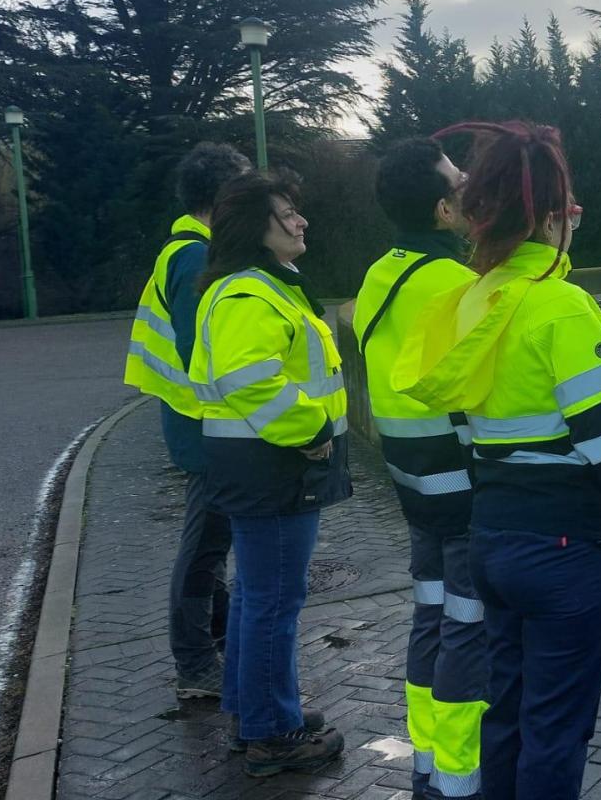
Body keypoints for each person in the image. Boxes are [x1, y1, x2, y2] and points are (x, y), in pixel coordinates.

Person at [392, 120, 601, 800]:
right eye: (569, 207)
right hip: (563, 552)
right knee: (557, 728)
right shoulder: (563, 307)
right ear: (552, 215)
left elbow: (465, 427)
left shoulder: (470, 302)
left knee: (508, 715)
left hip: (490, 538)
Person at [189, 170, 350, 776]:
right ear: (255, 227)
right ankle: (271, 734)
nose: (300, 220)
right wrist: (310, 430)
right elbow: (250, 381)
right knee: (273, 602)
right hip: (273, 466)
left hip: (264, 467)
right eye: (287, 213)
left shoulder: (260, 287)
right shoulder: (248, 295)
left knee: (264, 598)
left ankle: (253, 710)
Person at [352, 138, 485, 799]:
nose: (470, 187)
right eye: (459, 182)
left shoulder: (381, 274)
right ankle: (460, 783)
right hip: (461, 490)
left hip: (411, 485)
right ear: (442, 209)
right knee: (468, 627)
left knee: (430, 618)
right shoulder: (456, 286)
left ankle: (428, 764)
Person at [122, 142, 248, 699]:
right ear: (222, 198)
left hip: (198, 421)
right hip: (205, 426)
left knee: (212, 541)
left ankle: (213, 643)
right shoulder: (196, 257)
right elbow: (208, 352)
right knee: (205, 545)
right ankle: (196, 663)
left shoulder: (191, 249)